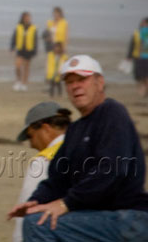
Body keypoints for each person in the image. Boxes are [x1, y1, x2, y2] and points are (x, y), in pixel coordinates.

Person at [8, 54, 148, 241]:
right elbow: (57, 179)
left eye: (82, 79)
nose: (75, 86)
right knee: (35, 216)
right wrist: (35, 202)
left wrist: (66, 203)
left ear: (99, 82)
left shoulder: (112, 113)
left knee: (38, 225)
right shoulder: (75, 129)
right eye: (70, 82)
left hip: (127, 216)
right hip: (95, 216)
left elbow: (110, 172)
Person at [11, 102, 71, 242]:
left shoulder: (43, 161)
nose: (31, 144)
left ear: (46, 129)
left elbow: (28, 212)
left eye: (31, 136)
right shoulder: (87, 148)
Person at [10, 11, 38, 92]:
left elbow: (35, 40)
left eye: (28, 18)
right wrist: (12, 46)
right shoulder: (19, 27)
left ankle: (24, 83)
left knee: (26, 68)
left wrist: (35, 51)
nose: (27, 19)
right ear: (23, 18)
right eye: (26, 17)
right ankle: (18, 81)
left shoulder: (33, 27)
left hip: (29, 50)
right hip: (20, 49)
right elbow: (14, 37)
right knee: (17, 66)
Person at [127, 17, 148, 97]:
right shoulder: (137, 33)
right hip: (139, 58)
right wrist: (129, 56)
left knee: (140, 77)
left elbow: (132, 45)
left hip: (140, 58)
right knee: (144, 76)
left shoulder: (137, 33)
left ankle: (142, 93)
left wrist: (128, 56)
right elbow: (132, 45)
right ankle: (144, 92)